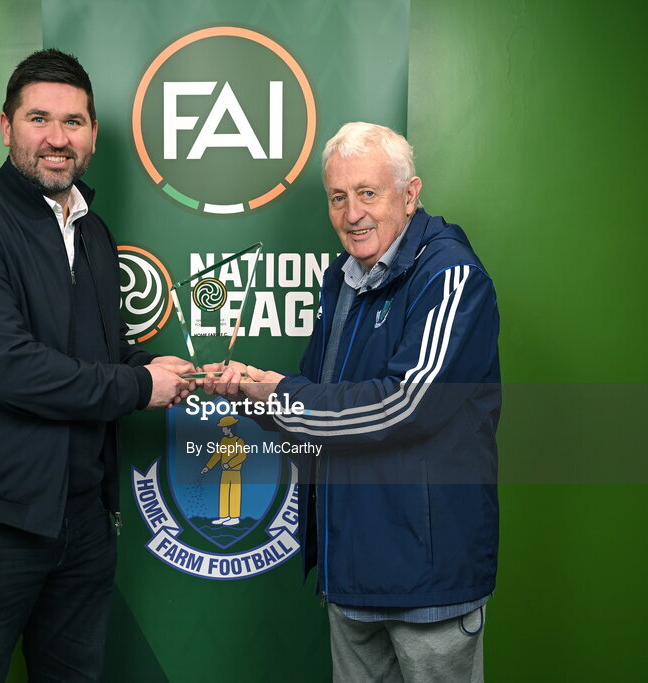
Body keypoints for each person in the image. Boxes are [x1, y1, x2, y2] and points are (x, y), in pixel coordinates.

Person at [0, 49, 193, 682]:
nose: (57, 138)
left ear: (93, 135)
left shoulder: (94, 233)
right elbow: (10, 369)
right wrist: (138, 384)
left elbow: (98, 354)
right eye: (39, 118)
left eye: (74, 122)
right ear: (6, 126)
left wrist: (161, 370)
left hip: (84, 519)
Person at [205, 122, 500, 682]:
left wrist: (282, 392)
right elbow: (319, 404)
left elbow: (404, 404)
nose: (352, 213)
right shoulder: (342, 279)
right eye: (338, 197)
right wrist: (252, 392)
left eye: (369, 193)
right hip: (351, 571)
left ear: (410, 195)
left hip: (425, 578)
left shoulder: (451, 274)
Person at [200, 415, 247, 525]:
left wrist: (229, 464)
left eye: (224, 427)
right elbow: (217, 455)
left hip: (235, 472)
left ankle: (234, 517)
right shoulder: (223, 440)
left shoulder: (239, 441)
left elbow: (242, 456)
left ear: (229, 428)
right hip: (224, 472)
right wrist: (208, 467)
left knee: (234, 493)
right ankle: (224, 516)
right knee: (224, 493)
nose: (222, 430)